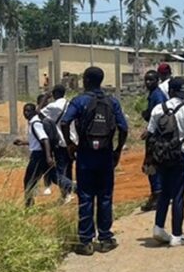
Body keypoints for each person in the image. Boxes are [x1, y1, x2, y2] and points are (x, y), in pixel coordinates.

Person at [60, 67, 129, 256]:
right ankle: (105, 238)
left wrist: (70, 145)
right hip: (106, 156)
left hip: (85, 155)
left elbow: (65, 122)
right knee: (105, 196)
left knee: (86, 196)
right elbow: (124, 128)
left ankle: (85, 241)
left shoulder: (79, 101)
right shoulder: (112, 102)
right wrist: (117, 151)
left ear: (87, 80)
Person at [147, 77, 184, 246]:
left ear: (169, 92)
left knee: (164, 192)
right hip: (179, 157)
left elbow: (150, 135)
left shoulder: (158, 109)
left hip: (161, 156)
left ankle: (158, 227)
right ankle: (177, 235)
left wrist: (148, 158)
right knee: (178, 195)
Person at [13, 102, 63, 207]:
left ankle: (29, 204)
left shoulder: (35, 123)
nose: (25, 113)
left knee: (29, 180)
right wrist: (23, 143)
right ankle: (75, 188)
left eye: (28, 111)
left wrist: (49, 157)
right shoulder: (34, 122)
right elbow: (38, 141)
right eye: (24, 111)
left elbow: (44, 139)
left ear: (33, 111)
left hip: (38, 157)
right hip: (41, 155)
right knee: (55, 178)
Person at [40, 85, 75, 202]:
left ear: (54, 94)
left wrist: (45, 97)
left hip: (61, 142)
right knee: (69, 167)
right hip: (73, 141)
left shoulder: (54, 106)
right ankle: (69, 193)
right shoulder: (71, 104)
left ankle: (66, 193)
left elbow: (38, 113)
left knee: (60, 170)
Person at [140, 69, 168, 212]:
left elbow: (160, 116)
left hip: (156, 136)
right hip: (155, 134)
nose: (148, 82)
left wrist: (149, 129)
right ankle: (157, 194)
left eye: (151, 80)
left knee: (152, 164)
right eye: (146, 80)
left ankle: (157, 195)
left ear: (157, 81)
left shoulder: (158, 96)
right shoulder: (153, 95)